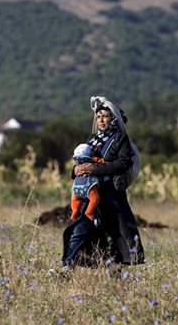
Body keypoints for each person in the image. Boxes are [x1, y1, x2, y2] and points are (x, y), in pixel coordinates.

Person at [61, 96, 145, 271]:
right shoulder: (92, 139)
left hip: (111, 195)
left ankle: (114, 271)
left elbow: (124, 163)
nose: (101, 120)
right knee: (78, 229)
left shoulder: (120, 139)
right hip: (89, 195)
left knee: (114, 236)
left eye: (105, 116)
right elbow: (82, 160)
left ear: (113, 118)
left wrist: (96, 169)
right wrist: (74, 171)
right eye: (98, 117)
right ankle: (67, 266)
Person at [70, 143, 104, 222]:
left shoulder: (77, 165)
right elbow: (102, 162)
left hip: (76, 187)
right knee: (95, 198)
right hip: (88, 186)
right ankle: (89, 211)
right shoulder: (93, 160)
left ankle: (74, 210)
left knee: (74, 199)